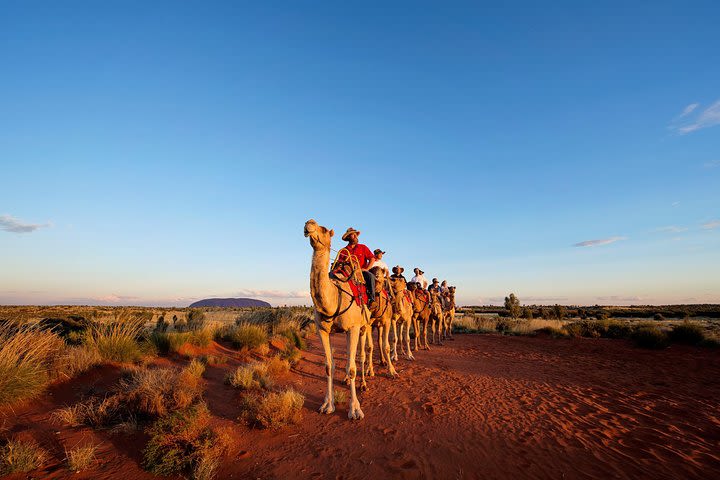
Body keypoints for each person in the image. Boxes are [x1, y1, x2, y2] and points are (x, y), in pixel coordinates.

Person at [335, 227, 376, 303]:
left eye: (356, 235)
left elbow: (372, 259)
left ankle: (371, 299)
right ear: (348, 237)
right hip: (348, 272)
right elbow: (339, 262)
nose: (355, 236)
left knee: (370, 277)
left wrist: (366, 269)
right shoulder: (344, 250)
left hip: (361, 271)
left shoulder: (363, 247)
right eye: (353, 235)